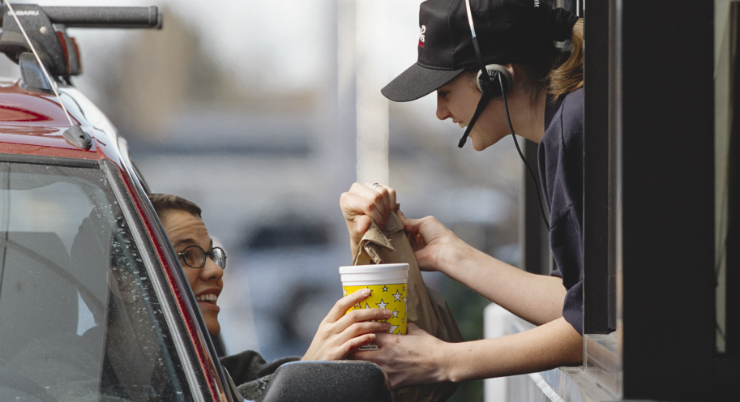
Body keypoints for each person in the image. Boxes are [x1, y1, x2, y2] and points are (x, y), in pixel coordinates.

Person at [340, 0, 584, 388]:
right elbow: (578, 303)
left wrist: (445, 361)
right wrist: (449, 254)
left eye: (445, 92)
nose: (439, 112)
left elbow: (602, 322)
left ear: (496, 78)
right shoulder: (567, 125)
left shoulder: (574, 128)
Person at [147, 193, 391, 398]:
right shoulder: (118, 388)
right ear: (124, 281)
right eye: (188, 255)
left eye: (213, 255)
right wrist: (305, 374)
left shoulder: (224, 372)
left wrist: (374, 249)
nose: (215, 270)